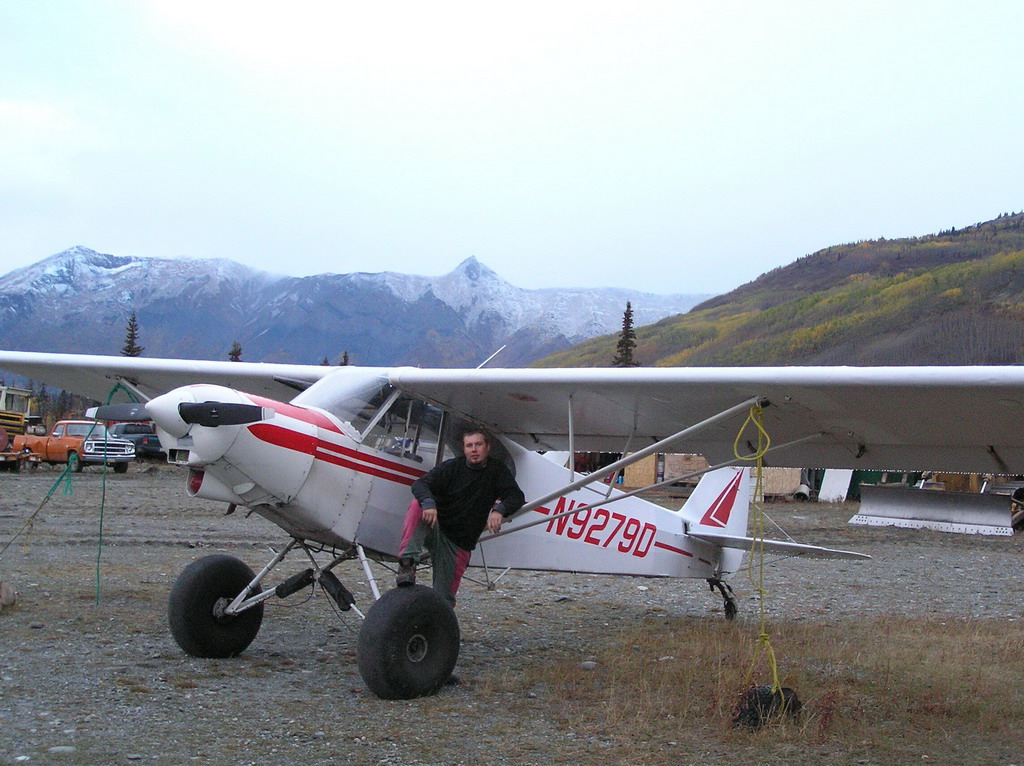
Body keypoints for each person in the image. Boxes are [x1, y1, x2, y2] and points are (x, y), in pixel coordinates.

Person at [396, 428, 525, 605]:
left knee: (444, 601)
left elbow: (516, 496)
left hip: (458, 544)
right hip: (436, 528)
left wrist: (499, 510)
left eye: (478, 445)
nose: (474, 449)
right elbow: (420, 484)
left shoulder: (497, 471)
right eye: (469, 446)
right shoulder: (451, 467)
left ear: (487, 447)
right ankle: (407, 564)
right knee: (417, 505)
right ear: (464, 449)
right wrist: (429, 503)